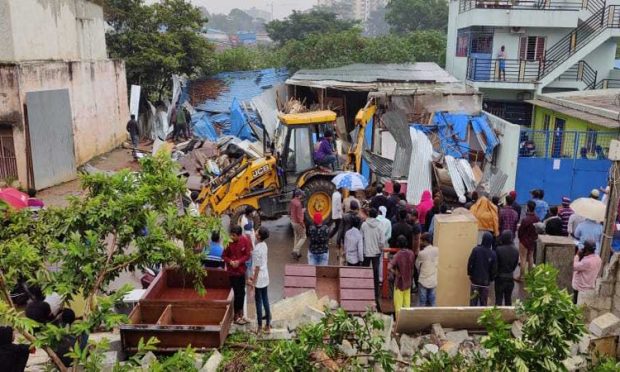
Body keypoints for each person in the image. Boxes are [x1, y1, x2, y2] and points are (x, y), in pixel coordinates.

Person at [223, 225, 252, 325]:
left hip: (241, 271)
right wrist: (230, 262)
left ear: (239, 236)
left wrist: (239, 262)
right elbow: (224, 256)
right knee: (237, 293)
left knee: (242, 293)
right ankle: (236, 316)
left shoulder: (245, 241)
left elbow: (248, 255)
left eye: (234, 235)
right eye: (231, 235)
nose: (231, 237)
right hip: (232, 272)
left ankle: (241, 314)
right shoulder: (228, 242)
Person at [248, 227, 271, 333]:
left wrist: (253, 282)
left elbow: (256, 268)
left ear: (259, 236)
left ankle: (260, 326)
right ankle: (268, 324)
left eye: (257, 232)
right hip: (265, 275)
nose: (255, 232)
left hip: (259, 277)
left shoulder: (257, 249)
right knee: (265, 298)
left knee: (258, 301)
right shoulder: (264, 245)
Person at [361, 208, 385, 306]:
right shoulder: (380, 225)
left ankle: (364, 290)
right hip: (376, 253)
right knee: (375, 273)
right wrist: (380, 249)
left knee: (365, 272)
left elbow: (361, 238)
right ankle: (375, 293)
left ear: (369, 215)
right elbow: (382, 241)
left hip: (366, 252)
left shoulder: (364, 225)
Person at [467, 232, 497, 306]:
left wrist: (470, 274)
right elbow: (494, 269)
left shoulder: (476, 250)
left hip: (475, 281)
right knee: (483, 303)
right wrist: (491, 278)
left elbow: (470, 263)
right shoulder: (493, 254)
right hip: (485, 282)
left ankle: (472, 316)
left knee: (473, 302)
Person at [389, 235, 415, 320]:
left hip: (399, 283)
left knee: (398, 306)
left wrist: (396, 273)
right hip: (408, 282)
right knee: (407, 304)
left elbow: (389, 267)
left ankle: (399, 324)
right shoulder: (411, 253)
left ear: (398, 244)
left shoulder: (397, 255)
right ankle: (407, 322)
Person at [572, 240, 602, 304]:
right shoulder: (598, 258)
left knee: (575, 306)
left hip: (580, 289)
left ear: (586, 249)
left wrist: (577, 255)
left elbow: (573, 267)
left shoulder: (586, 262)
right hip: (589, 288)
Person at [494, 230, 519, 306]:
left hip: (500, 277)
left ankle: (497, 317)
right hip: (510, 277)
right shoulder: (515, 250)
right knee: (508, 300)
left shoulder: (498, 249)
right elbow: (515, 265)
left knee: (498, 300)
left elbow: (496, 265)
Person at [517, 201, 539, 280]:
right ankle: (530, 276)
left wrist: (520, 238)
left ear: (528, 207)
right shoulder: (537, 218)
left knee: (523, 258)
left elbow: (520, 231)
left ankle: (521, 276)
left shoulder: (525, 219)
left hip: (524, 241)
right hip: (532, 241)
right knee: (531, 257)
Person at [416, 233, 438, 307]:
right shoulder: (436, 250)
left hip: (423, 279)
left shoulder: (422, 253)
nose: (420, 242)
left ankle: (422, 317)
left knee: (422, 301)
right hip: (433, 279)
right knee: (432, 301)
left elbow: (417, 266)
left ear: (425, 241)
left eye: (421, 241)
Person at [289, 190, 306, 260]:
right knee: (303, 237)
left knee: (297, 237)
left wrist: (301, 211)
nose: (302, 196)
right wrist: (303, 225)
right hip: (297, 223)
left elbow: (290, 211)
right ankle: (295, 250)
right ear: (299, 195)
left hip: (292, 221)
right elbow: (299, 217)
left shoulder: (292, 201)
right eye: (301, 195)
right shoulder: (299, 204)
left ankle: (297, 253)